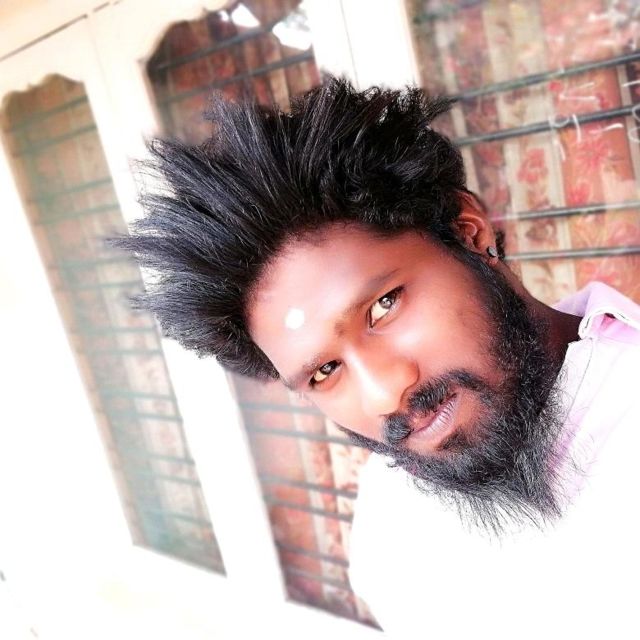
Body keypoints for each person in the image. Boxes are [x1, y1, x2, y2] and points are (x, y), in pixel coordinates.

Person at [115, 77, 640, 638]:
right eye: (325, 372)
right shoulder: (388, 533)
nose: (385, 393)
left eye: (383, 307)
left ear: (467, 232)